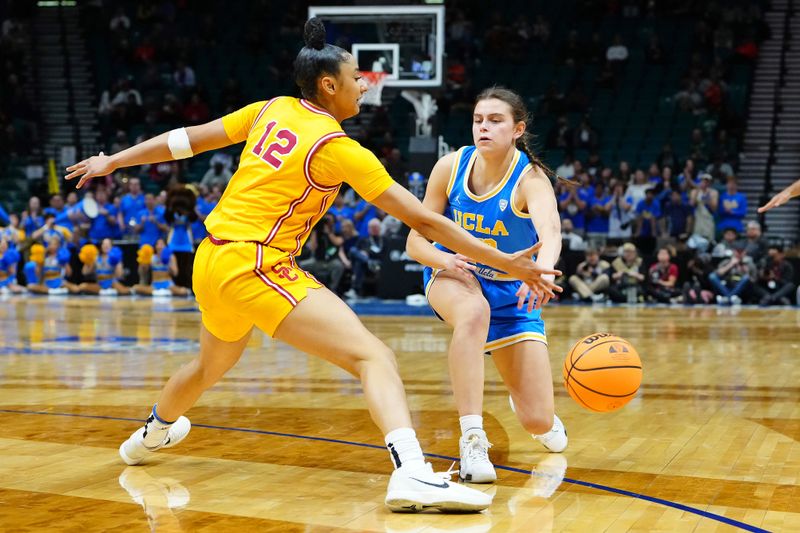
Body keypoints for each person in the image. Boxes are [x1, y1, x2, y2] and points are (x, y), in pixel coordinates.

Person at [65, 18, 560, 513]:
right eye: (355, 77)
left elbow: (186, 140)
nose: (365, 83)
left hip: (211, 259)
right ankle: (412, 473)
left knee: (210, 364)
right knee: (374, 358)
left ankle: (149, 436)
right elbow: (423, 222)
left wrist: (114, 161)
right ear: (329, 85)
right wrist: (508, 264)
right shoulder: (338, 148)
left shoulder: (271, 110)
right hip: (255, 263)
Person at [406, 87, 567, 487]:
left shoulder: (530, 178)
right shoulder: (450, 166)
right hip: (456, 274)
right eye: (479, 119)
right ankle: (472, 438)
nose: (484, 127)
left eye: (495, 120)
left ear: (518, 129)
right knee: (474, 312)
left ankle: (526, 401)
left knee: (538, 420)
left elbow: (551, 230)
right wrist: (445, 260)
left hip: (514, 291)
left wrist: (543, 270)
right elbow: (415, 241)